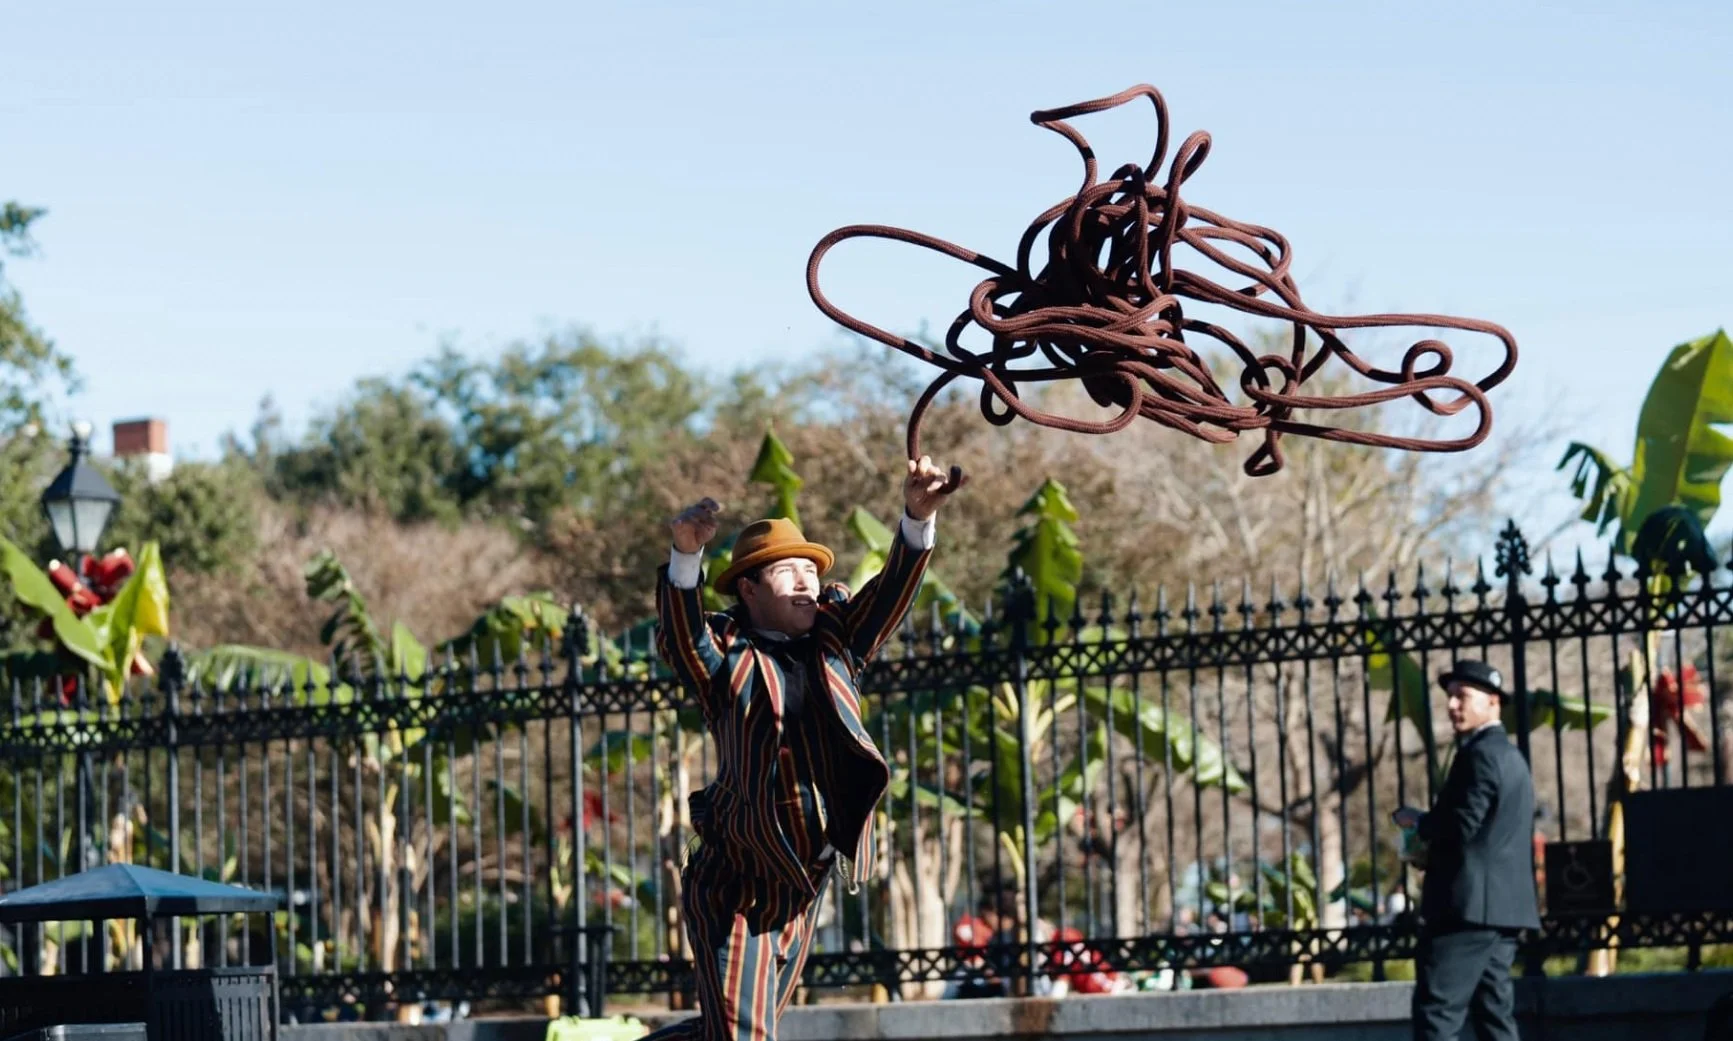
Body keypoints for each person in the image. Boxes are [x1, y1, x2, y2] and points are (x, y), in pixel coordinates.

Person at [645, 455, 963, 1041]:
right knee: (745, 1035)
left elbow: (889, 595)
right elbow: (682, 639)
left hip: (803, 887)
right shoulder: (724, 657)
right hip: (734, 885)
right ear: (748, 587)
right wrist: (685, 557)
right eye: (786, 571)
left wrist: (917, 519)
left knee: (737, 1031)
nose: (805, 581)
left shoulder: (839, 636)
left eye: (809, 571)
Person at [1392, 660, 1541, 1041]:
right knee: (1495, 1019)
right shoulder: (1511, 757)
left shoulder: (1479, 755)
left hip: (1466, 911)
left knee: (1437, 1016)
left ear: (1493, 702)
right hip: (1502, 911)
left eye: (1463, 696)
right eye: (1450, 696)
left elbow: (1461, 826)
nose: (1452, 705)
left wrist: (1419, 823)